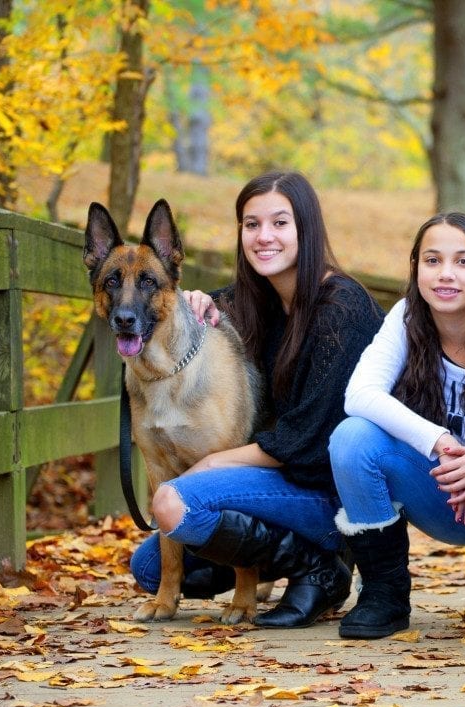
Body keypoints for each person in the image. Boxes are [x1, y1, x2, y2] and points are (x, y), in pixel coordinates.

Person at [129, 170, 384, 628]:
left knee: (181, 504)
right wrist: (195, 302)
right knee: (148, 568)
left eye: (280, 223)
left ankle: (321, 563)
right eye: (251, 225)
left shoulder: (343, 309)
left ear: (307, 230)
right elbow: (179, 311)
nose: (264, 237)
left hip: (330, 493)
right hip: (277, 486)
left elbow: (306, 440)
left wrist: (209, 464)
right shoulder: (251, 300)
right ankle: (279, 562)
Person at [328, 212, 465, 639]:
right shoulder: (407, 318)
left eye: (463, 262)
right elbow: (359, 394)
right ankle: (384, 591)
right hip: (437, 490)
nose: (445, 274)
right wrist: (440, 443)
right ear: (415, 267)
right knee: (352, 437)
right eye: (432, 261)